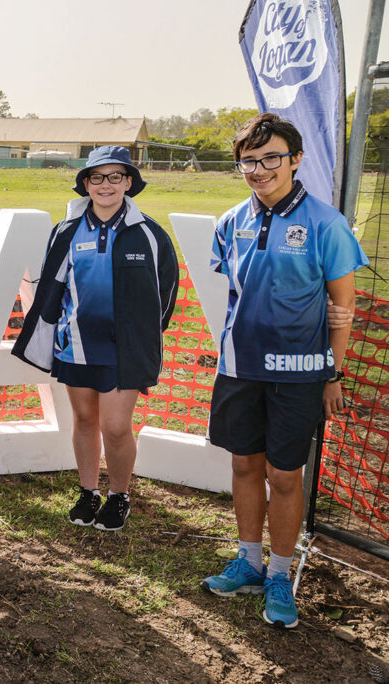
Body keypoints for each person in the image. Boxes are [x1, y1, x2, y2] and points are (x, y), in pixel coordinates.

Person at [201, 113, 368, 629]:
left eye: (271, 157)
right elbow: (235, 294)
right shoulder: (230, 221)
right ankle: (249, 562)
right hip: (239, 369)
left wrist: (332, 374)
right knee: (245, 467)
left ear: (295, 160)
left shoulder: (326, 223)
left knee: (284, 475)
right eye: (249, 160)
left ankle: (278, 572)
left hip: (299, 373)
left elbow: (343, 307)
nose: (259, 168)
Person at [12, 145, 178, 532]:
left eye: (116, 176)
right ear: (85, 184)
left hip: (124, 351)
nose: (106, 185)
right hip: (77, 345)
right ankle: (89, 492)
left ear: (129, 182)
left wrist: (143, 337)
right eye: (97, 177)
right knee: (85, 419)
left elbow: (166, 293)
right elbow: (52, 286)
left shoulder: (150, 234)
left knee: (117, 427)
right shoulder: (66, 231)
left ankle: (119, 496)